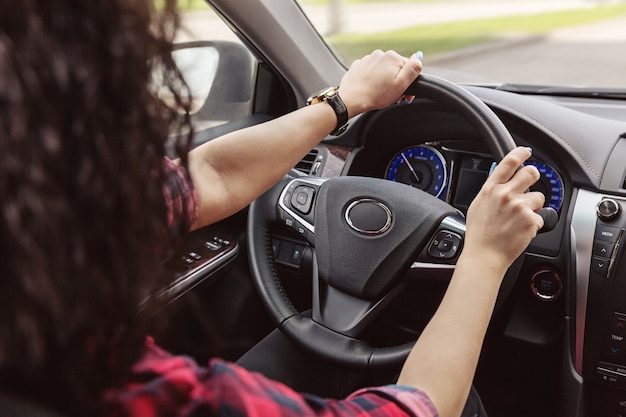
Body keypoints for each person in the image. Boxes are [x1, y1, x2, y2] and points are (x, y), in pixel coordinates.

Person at [0, 1, 544, 417]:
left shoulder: (45, 214)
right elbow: (412, 410)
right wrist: (484, 256)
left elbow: (209, 175)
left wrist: (343, 100)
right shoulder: (122, 387)